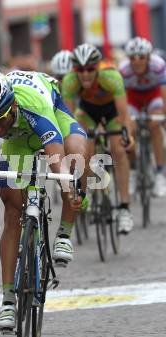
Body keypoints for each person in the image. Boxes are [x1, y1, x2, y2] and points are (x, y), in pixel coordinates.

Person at [0, 69, 88, 331]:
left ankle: (65, 234)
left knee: (76, 155)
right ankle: (8, 301)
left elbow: (57, 162)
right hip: (19, 141)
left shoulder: (34, 106)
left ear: (12, 105)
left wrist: (72, 190)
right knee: (11, 213)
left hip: (51, 116)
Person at [61, 43, 135, 234]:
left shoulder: (111, 76)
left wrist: (127, 135)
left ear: (98, 67)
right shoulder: (69, 82)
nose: (85, 74)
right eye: (80, 70)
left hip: (112, 112)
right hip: (87, 112)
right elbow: (67, 119)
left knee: (118, 150)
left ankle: (125, 208)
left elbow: (123, 113)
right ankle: (85, 194)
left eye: (90, 69)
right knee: (83, 151)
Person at [119, 36, 166, 197]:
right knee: (130, 130)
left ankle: (160, 173)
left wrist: (163, 116)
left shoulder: (158, 66)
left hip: (153, 96)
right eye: (133, 57)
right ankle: (132, 172)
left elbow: (164, 93)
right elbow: (122, 100)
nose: (137, 61)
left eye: (141, 57)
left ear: (149, 57)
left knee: (155, 125)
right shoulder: (124, 70)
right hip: (133, 99)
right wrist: (125, 120)